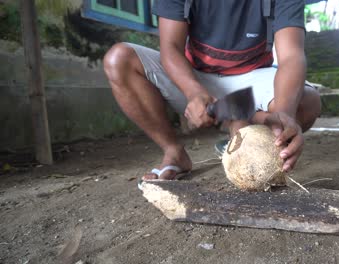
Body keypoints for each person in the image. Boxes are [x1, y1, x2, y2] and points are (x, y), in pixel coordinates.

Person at [103, 0, 321, 180]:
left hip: (251, 81)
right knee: (119, 60)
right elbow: (170, 48)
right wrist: (193, 91)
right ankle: (174, 151)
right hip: (197, 77)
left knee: (307, 102)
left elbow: (291, 56)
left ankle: (241, 124)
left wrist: (284, 114)